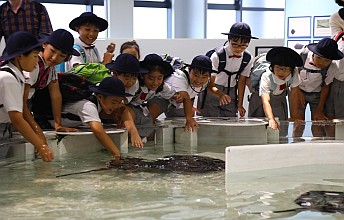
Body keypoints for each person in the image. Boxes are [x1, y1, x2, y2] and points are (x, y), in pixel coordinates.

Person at [58, 77, 142, 160]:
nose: (116, 106)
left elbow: (123, 109)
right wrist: (117, 154)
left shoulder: (103, 100)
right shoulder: (88, 106)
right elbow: (98, 131)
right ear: (100, 97)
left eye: (119, 102)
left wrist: (133, 132)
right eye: (113, 102)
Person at [0, 31, 53, 162]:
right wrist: (40, 146)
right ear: (20, 56)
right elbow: (17, 119)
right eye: (35, 56)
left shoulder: (18, 77)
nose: (36, 62)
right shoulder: (8, 78)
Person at [23, 29, 81, 133]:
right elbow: (21, 102)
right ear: (44, 45)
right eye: (52, 51)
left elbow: (56, 95)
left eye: (62, 56)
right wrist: (36, 129)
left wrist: (58, 125)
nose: (55, 58)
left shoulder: (51, 68)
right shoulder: (34, 64)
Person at [199, 22, 257, 118]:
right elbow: (209, 84)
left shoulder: (248, 58)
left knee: (230, 123)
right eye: (235, 44)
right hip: (213, 91)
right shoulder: (217, 55)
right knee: (210, 124)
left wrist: (239, 104)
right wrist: (220, 94)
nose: (238, 49)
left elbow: (241, 82)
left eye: (243, 45)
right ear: (228, 40)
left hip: (232, 92)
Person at [293, 38, 344, 137]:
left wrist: (320, 109)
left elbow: (326, 87)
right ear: (313, 53)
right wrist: (298, 92)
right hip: (299, 90)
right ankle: (296, 143)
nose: (322, 62)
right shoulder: (302, 55)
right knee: (298, 123)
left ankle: (317, 145)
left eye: (326, 60)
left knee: (318, 124)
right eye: (319, 57)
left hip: (317, 95)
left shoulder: (332, 67)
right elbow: (293, 75)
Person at [128, 54, 182, 138]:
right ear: (142, 76)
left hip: (139, 107)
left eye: (159, 78)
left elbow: (172, 94)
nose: (155, 83)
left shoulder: (161, 86)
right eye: (151, 78)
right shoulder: (135, 85)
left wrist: (177, 97)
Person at [165, 55, 231, 118]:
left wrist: (221, 94)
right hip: (161, 97)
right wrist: (189, 118)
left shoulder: (206, 80)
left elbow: (210, 86)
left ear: (209, 76)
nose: (199, 80)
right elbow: (185, 97)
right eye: (196, 75)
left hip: (178, 103)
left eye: (204, 77)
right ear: (189, 69)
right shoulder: (180, 78)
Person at [258, 47, 303, 131]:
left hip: (279, 100)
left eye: (286, 69)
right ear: (272, 66)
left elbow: (294, 95)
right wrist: (271, 119)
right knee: (261, 129)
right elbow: (265, 101)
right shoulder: (266, 76)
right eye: (278, 68)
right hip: (260, 102)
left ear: (291, 69)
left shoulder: (294, 73)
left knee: (281, 129)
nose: (281, 72)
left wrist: (294, 116)